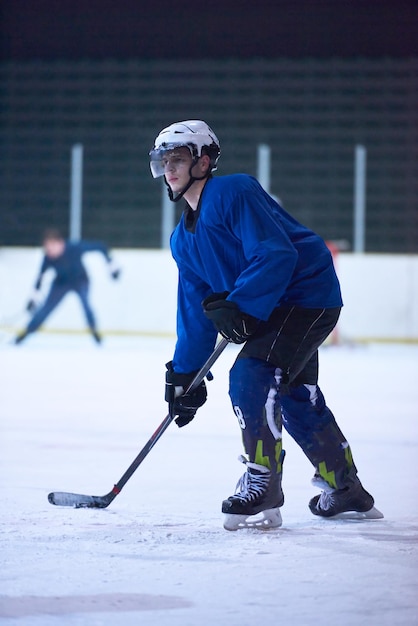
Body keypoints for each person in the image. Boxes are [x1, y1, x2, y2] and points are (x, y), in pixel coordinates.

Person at [149, 120, 383, 531]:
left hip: (304, 296)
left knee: (251, 374)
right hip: (275, 305)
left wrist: (241, 305)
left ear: (204, 162)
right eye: (164, 161)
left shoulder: (232, 191)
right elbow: (194, 308)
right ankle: (347, 490)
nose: (169, 169)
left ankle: (263, 483)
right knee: (294, 393)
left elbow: (276, 254)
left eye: (179, 159)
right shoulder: (181, 239)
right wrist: (185, 374)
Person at [15, 228, 120, 345]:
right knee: (45, 309)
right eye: (47, 248)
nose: (50, 251)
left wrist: (112, 266)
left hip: (80, 281)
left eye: (52, 247)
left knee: (86, 305)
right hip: (61, 283)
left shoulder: (74, 248)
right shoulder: (48, 257)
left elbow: (101, 246)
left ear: (60, 243)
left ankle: (95, 333)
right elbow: (40, 276)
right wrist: (33, 297)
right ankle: (24, 335)